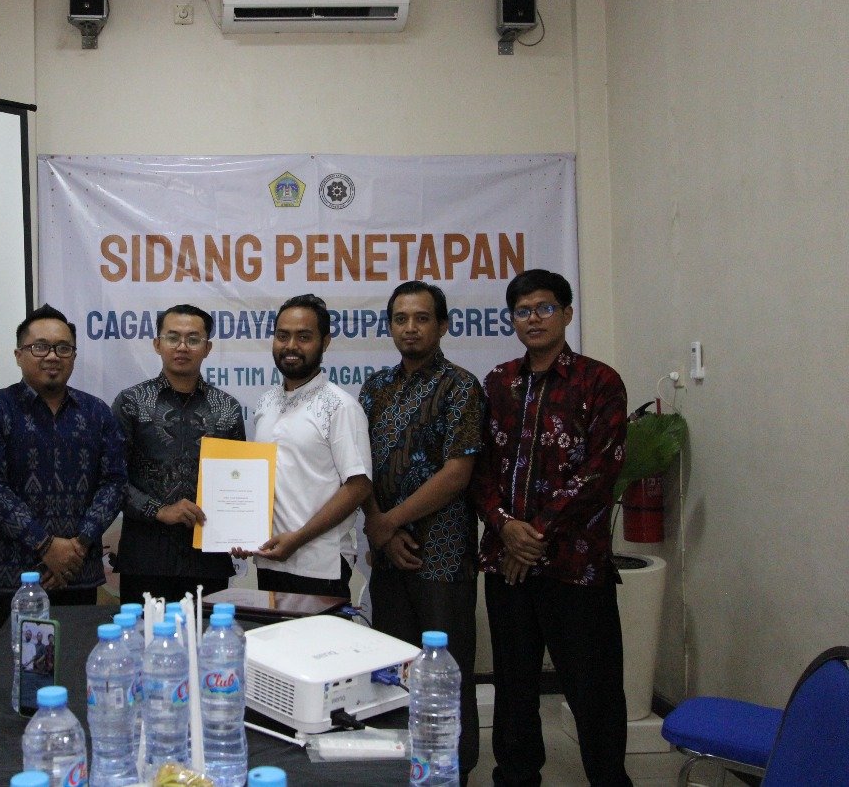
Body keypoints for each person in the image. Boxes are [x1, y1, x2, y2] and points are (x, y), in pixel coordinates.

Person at [473, 269, 632, 787]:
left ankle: (609, 779)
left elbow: (600, 471)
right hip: (507, 566)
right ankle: (516, 778)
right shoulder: (498, 382)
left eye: (544, 308)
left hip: (574, 567)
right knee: (514, 689)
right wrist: (505, 527)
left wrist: (532, 536)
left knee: (594, 690)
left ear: (566, 313)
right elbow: (481, 468)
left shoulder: (599, 381)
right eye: (522, 311)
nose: (533, 319)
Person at [358, 281, 482, 784]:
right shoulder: (374, 388)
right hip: (389, 556)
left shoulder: (460, 387)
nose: (410, 328)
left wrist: (389, 521)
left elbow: (457, 473)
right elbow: (359, 469)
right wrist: (379, 528)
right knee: (393, 673)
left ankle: (455, 772)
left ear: (443, 325)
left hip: (442, 556)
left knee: (446, 676)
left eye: (422, 318)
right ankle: (400, 770)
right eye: (401, 319)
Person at [0, 304, 126, 628]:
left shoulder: (97, 413)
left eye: (63, 348)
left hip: (76, 575)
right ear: (19, 355)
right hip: (7, 580)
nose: (52, 356)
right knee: (8, 662)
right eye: (40, 347)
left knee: (76, 659)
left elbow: (115, 482)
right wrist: (46, 545)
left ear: (74, 355)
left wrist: (77, 546)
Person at [235, 293, 372, 598]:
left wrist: (297, 539)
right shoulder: (266, 403)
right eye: (282, 336)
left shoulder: (340, 406)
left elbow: (358, 486)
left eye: (304, 337)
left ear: (325, 342)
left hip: (319, 566)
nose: (291, 346)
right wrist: (240, 532)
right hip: (270, 560)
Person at [112, 304, 246, 604]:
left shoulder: (227, 408)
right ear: (157, 344)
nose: (182, 346)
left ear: (207, 348)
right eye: (173, 337)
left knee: (210, 634)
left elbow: (239, 481)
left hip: (209, 560)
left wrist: (241, 530)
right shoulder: (132, 403)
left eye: (193, 339)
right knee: (143, 634)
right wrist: (158, 510)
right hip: (145, 559)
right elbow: (111, 479)